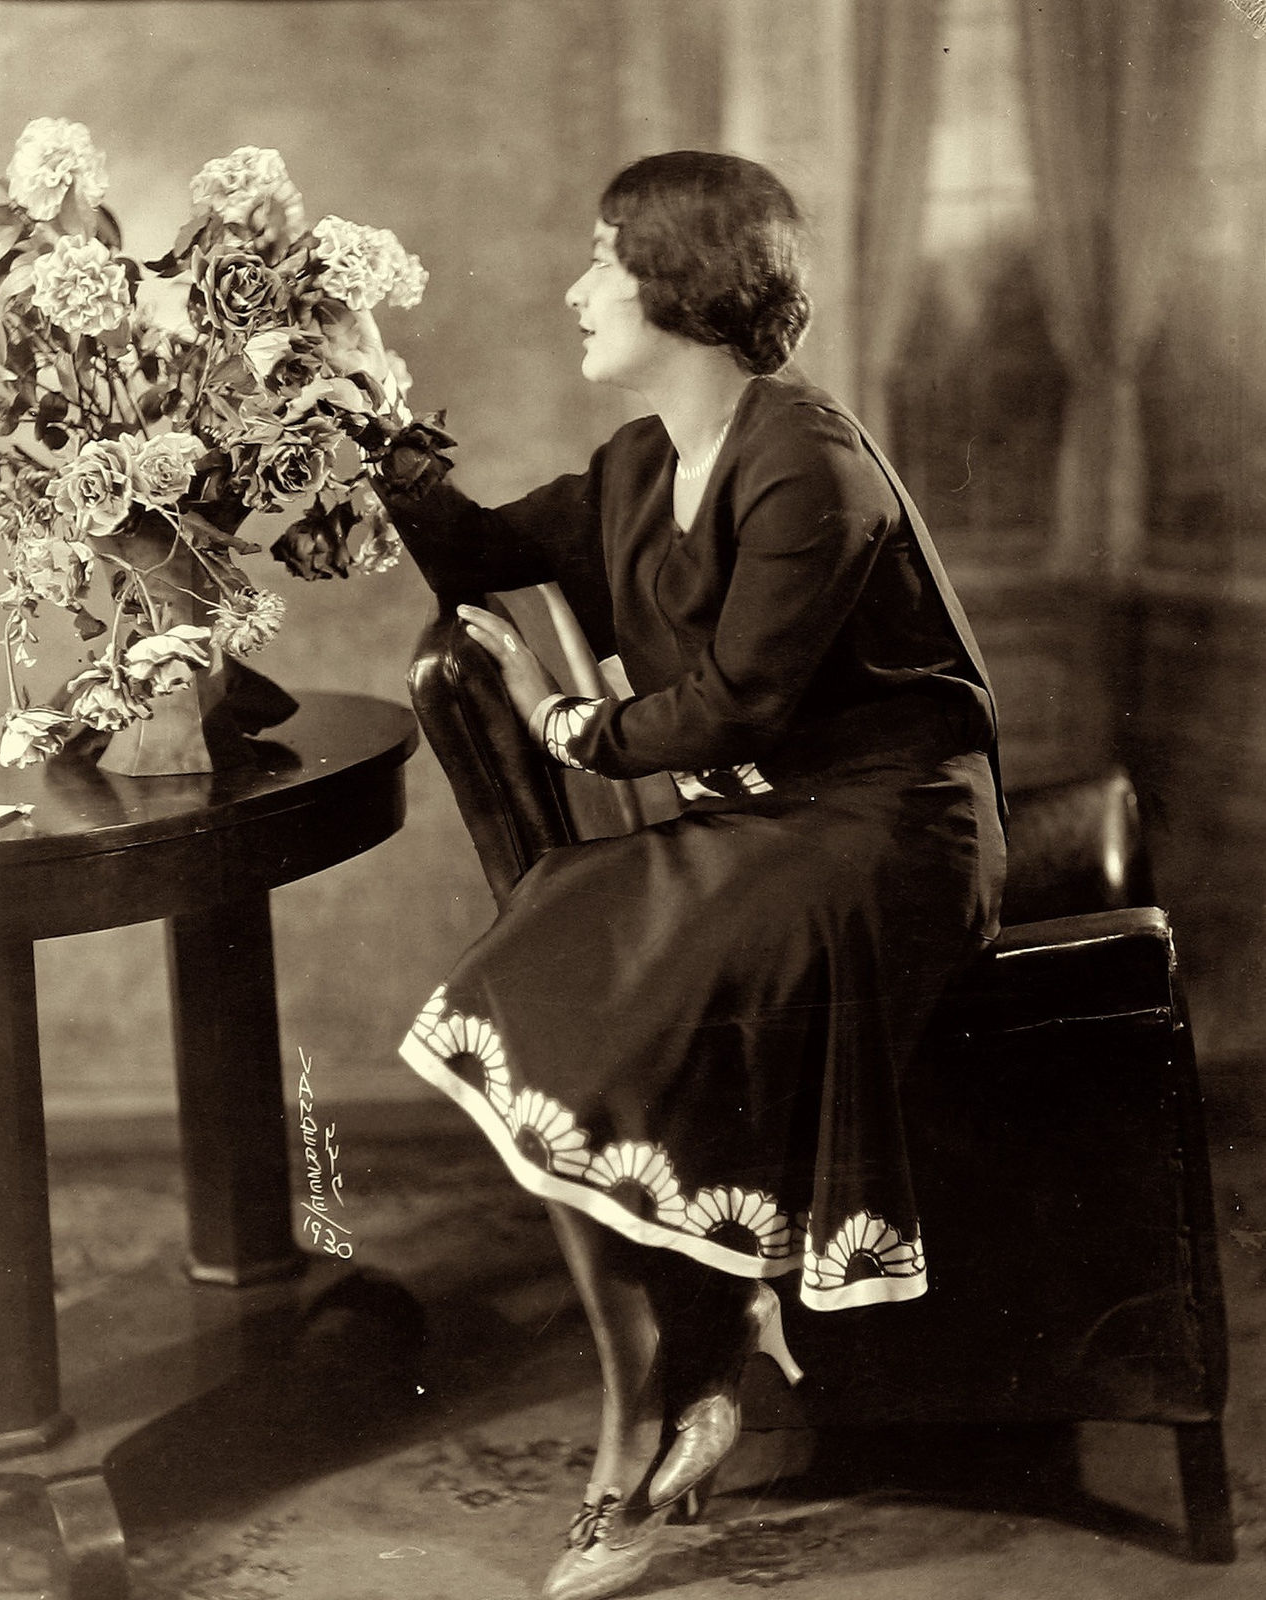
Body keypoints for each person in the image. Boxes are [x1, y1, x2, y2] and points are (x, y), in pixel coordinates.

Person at [374, 150, 1007, 1600]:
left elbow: (732, 712)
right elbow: (473, 550)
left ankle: (687, 1386)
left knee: (648, 980)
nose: (577, 288)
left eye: (606, 259)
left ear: (683, 284)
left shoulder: (814, 464)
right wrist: (378, 427)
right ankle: (714, 1336)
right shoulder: (642, 462)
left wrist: (557, 716)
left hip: (892, 831)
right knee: (560, 962)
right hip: (780, 827)